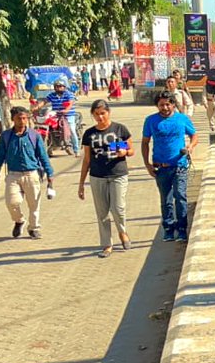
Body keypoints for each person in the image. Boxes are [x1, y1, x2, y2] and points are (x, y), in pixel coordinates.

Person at [78, 100, 133, 257]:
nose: (100, 117)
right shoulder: (89, 134)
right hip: (97, 176)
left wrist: (125, 153)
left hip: (118, 174)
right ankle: (107, 244)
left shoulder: (119, 129)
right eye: (97, 114)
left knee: (117, 208)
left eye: (103, 113)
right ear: (93, 115)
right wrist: (81, 183)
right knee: (102, 212)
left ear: (108, 112)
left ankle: (123, 232)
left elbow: (131, 150)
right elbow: (87, 159)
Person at [0, 106, 54, 239]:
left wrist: (50, 174)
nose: (22, 121)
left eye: (24, 118)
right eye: (19, 118)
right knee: (11, 202)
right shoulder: (6, 136)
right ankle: (19, 220)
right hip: (13, 175)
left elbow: (43, 156)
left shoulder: (34, 135)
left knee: (34, 205)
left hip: (32, 174)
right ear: (13, 119)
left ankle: (34, 228)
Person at [142, 91, 197, 242]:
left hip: (179, 166)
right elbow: (145, 142)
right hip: (161, 168)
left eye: (168, 104)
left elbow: (194, 135)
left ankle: (181, 229)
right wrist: (147, 164)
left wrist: (190, 147)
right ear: (157, 106)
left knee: (180, 197)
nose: (165, 107)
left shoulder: (182, 119)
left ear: (173, 104)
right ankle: (168, 228)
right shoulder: (151, 121)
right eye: (161, 105)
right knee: (166, 200)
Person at [44, 78, 80, 156]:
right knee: (49, 129)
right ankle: (50, 147)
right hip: (56, 115)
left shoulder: (69, 94)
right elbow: (44, 101)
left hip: (68, 115)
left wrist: (66, 110)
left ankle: (76, 150)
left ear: (64, 87)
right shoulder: (52, 95)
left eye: (61, 86)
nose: (59, 87)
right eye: (57, 86)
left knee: (72, 131)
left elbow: (70, 103)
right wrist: (36, 107)